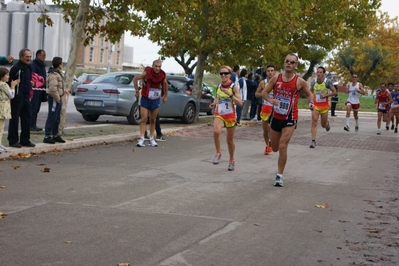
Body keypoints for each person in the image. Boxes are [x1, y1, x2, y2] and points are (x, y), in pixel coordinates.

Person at [262, 53, 314, 187]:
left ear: (296, 65)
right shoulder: (275, 78)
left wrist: (310, 103)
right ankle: (274, 146)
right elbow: (264, 92)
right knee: (274, 148)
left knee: (282, 145)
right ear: (284, 63)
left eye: (292, 62)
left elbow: (309, 94)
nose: (289, 64)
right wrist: (270, 100)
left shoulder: (299, 81)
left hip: (290, 118)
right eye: (287, 61)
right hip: (276, 117)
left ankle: (279, 175)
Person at [209, 65, 242, 171]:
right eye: (221, 73)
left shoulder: (234, 87)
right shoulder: (218, 86)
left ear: (230, 75)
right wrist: (213, 103)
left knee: (229, 141)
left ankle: (232, 159)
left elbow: (240, 103)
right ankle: (218, 153)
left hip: (230, 116)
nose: (223, 75)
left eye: (226, 73)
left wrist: (230, 95)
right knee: (216, 131)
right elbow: (217, 97)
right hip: (219, 113)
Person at [133, 59, 168, 147]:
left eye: (159, 66)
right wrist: (137, 91)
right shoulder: (147, 73)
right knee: (144, 118)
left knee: (153, 120)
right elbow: (135, 79)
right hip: (145, 97)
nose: (157, 68)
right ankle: (141, 138)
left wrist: (165, 95)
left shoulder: (162, 75)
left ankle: (152, 139)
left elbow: (165, 83)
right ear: (152, 66)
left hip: (155, 98)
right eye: (156, 66)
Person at [7, 48, 36, 148]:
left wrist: (31, 83)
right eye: (26, 57)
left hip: (26, 97)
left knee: (27, 118)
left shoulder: (29, 67)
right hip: (16, 98)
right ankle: (13, 140)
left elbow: (26, 80)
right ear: (21, 57)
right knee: (14, 120)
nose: (29, 58)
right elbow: (10, 82)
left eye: (30, 57)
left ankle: (25, 140)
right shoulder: (16, 68)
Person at [309, 66, 336, 148]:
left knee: (323, 125)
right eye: (317, 72)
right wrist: (310, 102)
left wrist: (326, 95)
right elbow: (310, 92)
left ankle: (327, 123)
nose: (319, 74)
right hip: (316, 106)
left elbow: (335, 92)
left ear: (324, 74)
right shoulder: (313, 82)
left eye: (320, 72)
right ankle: (313, 141)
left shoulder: (327, 82)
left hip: (324, 106)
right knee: (314, 122)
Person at [43, 57, 66, 144]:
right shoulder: (53, 75)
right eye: (61, 63)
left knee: (56, 117)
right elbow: (53, 89)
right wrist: (57, 99)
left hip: (57, 97)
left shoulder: (57, 73)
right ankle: (47, 135)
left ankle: (55, 134)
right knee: (52, 116)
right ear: (59, 64)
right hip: (54, 98)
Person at [255, 64, 276, 155]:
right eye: (268, 71)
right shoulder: (263, 82)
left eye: (272, 70)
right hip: (265, 108)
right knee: (265, 129)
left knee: (271, 128)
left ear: (274, 72)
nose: (270, 72)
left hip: (275, 108)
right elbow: (256, 94)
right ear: (266, 72)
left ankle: (271, 143)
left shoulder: (278, 82)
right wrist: (263, 94)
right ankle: (268, 144)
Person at [0, 68, 19, 153]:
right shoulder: (4, 85)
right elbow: (11, 95)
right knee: (0, 128)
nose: (8, 77)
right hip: (2, 108)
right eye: (6, 75)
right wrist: (13, 86)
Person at [30, 49, 47, 131]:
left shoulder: (42, 65)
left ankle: (34, 124)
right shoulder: (34, 65)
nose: (44, 57)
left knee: (37, 108)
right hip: (35, 89)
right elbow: (33, 76)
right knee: (33, 107)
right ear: (38, 55)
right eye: (43, 55)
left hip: (41, 89)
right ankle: (31, 125)